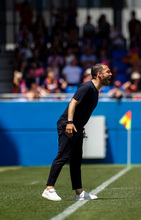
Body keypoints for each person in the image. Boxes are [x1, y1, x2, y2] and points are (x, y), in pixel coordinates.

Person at [42, 63, 112, 201]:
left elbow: (82, 111)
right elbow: (73, 103)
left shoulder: (95, 91)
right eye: (108, 72)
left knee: (76, 160)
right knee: (63, 156)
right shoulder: (87, 87)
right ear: (99, 74)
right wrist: (69, 122)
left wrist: (80, 126)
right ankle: (49, 188)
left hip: (77, 126)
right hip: (67, 124)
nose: (111, 74)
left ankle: (79, 193)